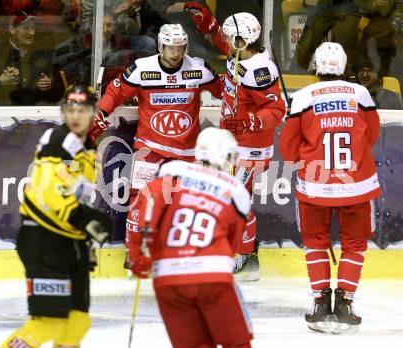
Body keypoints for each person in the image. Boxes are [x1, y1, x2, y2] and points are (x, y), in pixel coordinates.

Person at [89, 23, 222, 259]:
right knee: (140, 198)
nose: (175, 54)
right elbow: (114, 92)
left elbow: (225, 91)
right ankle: (134, 253)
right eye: (170, 48)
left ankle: (182, 252)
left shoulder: (199, 68)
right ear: (161, 46)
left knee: (187, 203)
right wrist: (100, 113)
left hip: (186, 151)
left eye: (180, 48)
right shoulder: (142, 69)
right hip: (150, 147)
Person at [178, 4, 286, 280]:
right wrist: (208, 23)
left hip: (251, 147)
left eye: (230, 38)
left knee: (235, 200)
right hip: (234, 142)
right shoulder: (240, 51)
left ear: (244, 40)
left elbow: (276, 110)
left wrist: (250, 121)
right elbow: (221, 39)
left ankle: (248, 258)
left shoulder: (260, 70)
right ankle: (235, 252)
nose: (225, 43)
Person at [279, 42, 381, 333]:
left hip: (315, 186)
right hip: (357, 184)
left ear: (315, 66)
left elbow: (288, 149)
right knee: (354, 244)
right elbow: (371, 134)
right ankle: (346, 303)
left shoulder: (301, 98)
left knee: (315, 242)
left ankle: (321, 303)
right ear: (344, 65)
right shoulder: (361, 94)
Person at [2, 85, 114, 347]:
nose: (76, 116)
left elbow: (76, 194)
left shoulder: (87, 149)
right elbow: (50, 191)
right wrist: (82, 218)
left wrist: (83, 234)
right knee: (47, 323)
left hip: (67, 242)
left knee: (77, 321)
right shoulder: (58, 141)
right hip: (43, 240)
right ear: (64, 112)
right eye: (70, 110)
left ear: (93, 112)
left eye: (83, 110)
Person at [129, 127, 254, 348]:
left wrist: (139, 254)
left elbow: (147, 212)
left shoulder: (172, 170)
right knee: (238, 343)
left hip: (169, 278)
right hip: (213, 275)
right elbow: (233, 243)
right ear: (225, 156)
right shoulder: (236, 190)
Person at [0, 12, 63, 105]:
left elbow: (61, 92)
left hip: (37, 113)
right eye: (26, 28)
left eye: (33, 28)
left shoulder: (45, 53)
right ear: (12, 29)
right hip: (4, 112)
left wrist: (50, 86)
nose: (31, 32)